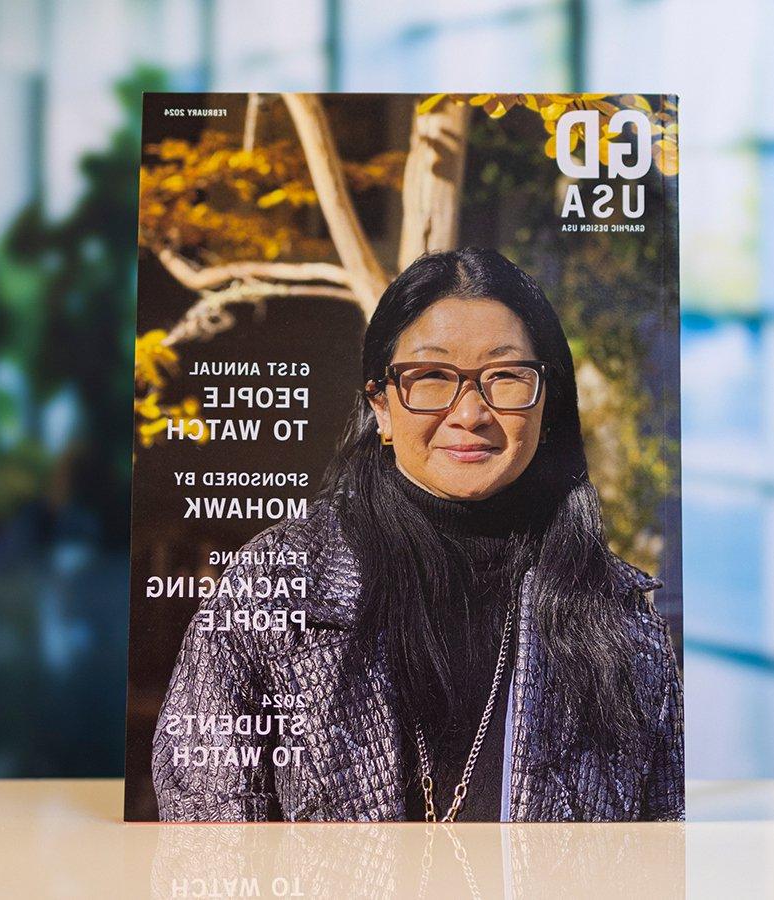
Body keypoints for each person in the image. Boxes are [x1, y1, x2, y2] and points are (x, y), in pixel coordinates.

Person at [152, 247, 683, 822]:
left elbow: (666, 843)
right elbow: (205, 840)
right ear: (380, 405)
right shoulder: (276, 585)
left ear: (546, 405)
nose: (470, 413)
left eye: (505, 376)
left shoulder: (621, 622)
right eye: (431, 377)